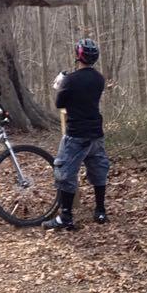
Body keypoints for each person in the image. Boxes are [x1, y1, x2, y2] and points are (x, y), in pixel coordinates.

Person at [42, 38, 109, 231]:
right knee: (98, 169)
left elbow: (60, 103)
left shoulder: (70, 80)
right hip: (96, 132)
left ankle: (66, 217)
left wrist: (60, 84)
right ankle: (100, 210)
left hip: (76, 134)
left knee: (65, 173)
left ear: (78, 56)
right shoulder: (99, 79)